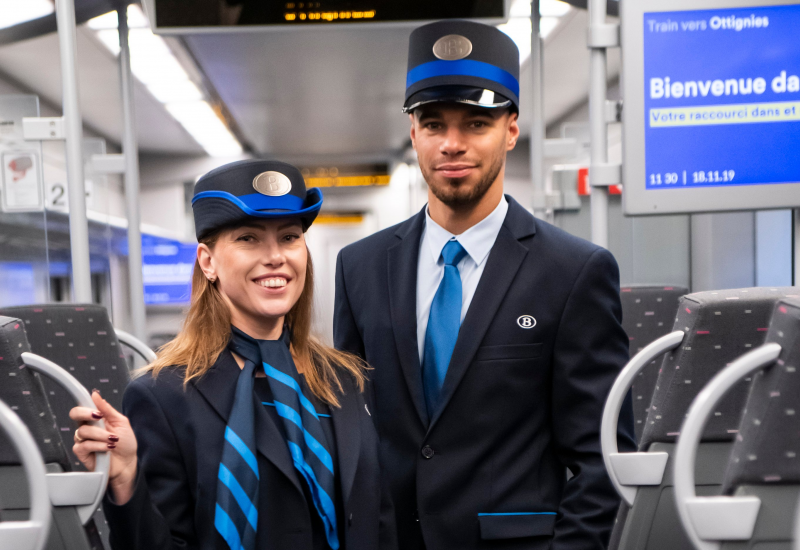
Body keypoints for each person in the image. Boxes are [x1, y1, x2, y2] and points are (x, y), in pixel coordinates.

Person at [333, 20, 636, 550]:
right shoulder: (361, 267)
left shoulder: (572, 272)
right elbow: (352, 436)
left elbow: (602, 459)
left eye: (476, 124)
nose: (452, 144)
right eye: (433, 124)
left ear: (510, 130)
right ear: (413, 134)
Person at [70, 160, 397, 550]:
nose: (276, 256)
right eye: (248, 238)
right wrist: (126, 480)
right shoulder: (165, 396)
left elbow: (380, 523)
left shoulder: (342, 379)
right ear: (208, 262)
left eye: (290, 237)